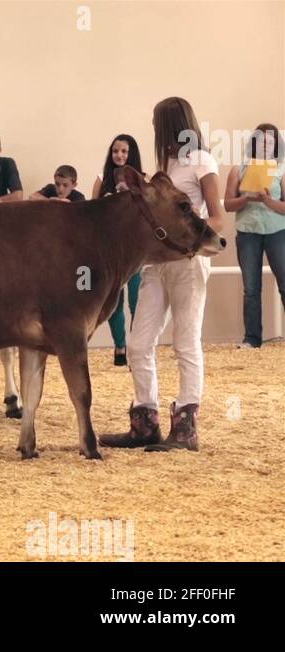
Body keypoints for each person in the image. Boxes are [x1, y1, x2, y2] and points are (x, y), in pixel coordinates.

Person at [101, 97, 226, 453]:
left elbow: (216, 218)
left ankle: (186, 427)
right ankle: (145, 421)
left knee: (186, 342)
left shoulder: (201, 161)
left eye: (158, 122)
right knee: (139, 342)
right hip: (157, 264)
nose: (154, 129)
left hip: (188, 262)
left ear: (170, 123)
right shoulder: (165, 165)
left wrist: (190, 246)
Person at [223, 123, 285, 348]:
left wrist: (268, 201)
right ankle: (252, 339)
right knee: (251, 288)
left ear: (277, 145)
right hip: (248, 233)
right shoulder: (238, 169)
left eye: (271, 141)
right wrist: (247, 198)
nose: (266, 144)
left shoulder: (282, 169)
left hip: (278, 232)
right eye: (262, 140)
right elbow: (229, 205)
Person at [92, 134, 146, 366]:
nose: (120, 155)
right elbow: (91, 216)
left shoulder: (144, 180)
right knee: (113, 301)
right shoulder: (101, 180)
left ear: (131, 153)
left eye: (124, 151)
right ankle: (120, 345)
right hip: (110, 252)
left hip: (134, 251)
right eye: (116, 151)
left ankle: (137, 346)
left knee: (137, 300)